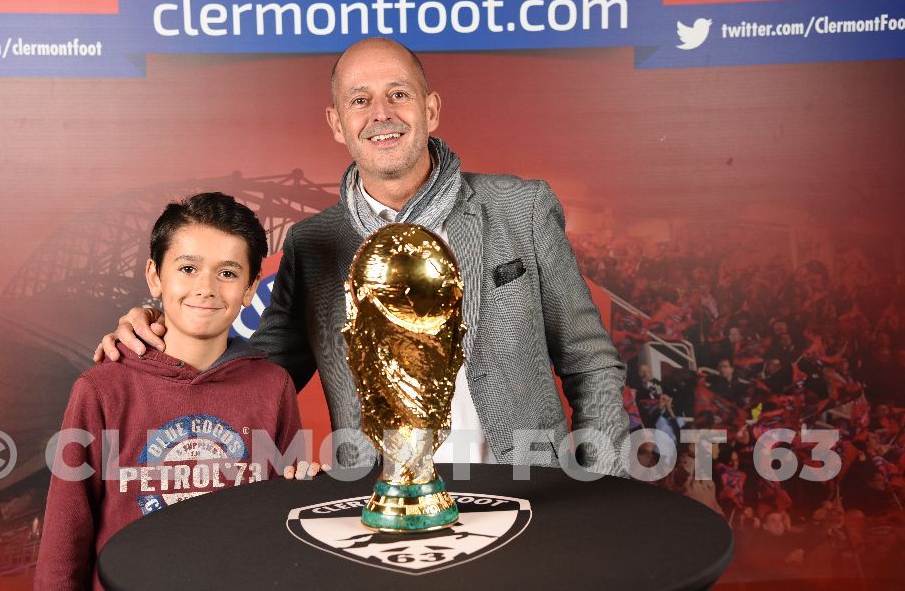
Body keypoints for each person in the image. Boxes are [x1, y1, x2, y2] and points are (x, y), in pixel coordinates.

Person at [98, 38, 629, 475]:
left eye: (399, 94)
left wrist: (601, 486)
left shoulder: (522, 208)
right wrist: (162, 331)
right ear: (336, 123)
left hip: (527, 495)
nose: (381, 114)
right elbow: (255, 374)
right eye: (359, 100)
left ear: (431, 109)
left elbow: (590, 359)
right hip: (373, 509)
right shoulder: (312, 245)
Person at [37, 193, 316, 590]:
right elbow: (64, 542)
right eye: (187, 268)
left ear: (251, 287)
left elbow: (278, 521)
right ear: (154, 275)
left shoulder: (272, 386)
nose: (205, 288)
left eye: (228, 273)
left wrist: (306, 489)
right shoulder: (102, 389)